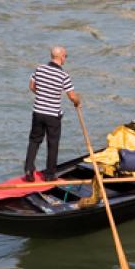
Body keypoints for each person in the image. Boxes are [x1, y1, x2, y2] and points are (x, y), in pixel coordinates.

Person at [25, 46, 81, 182]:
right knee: (53, 143)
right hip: (52, 115)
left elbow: (32, 86)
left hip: (38, 111)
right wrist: (77, 102)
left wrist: (43, 94)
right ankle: (50, 175)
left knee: (34, 141)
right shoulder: (63, 76)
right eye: (65, 56)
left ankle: (29, 170)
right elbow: (72, 96)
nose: (65, 59)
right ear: (61, 57)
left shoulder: (39, 69)